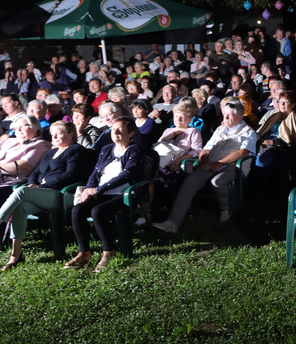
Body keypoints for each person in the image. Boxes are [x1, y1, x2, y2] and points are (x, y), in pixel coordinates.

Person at [153, 98, 259, 232]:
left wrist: (219, 164)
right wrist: (204, 161)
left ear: (239, 116)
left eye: (229, 115)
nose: (225, 117)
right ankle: (173, 222)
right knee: (190, 180)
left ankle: (225, 211)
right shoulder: (221, 129)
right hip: (211, 164)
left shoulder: (248, 132)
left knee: (217, 181)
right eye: (224, 114)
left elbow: (244, 152)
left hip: (233, 167)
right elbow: (206, 149)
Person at [0, 121, 90, 270]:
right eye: (52, 133)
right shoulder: (51, 152)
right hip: (45, 193)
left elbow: (70, 175)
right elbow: (35, 173)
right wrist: (34, 183)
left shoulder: (76, 150)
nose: (54, 136)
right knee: (21, 207)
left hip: (64, 194)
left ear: (71, 134)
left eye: (59, 133)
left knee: (21, 191)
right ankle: (16, 255)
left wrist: (43, 185)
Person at [65, 117, 145, 272]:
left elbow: (127, 175)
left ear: (131, 133)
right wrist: (89, 190)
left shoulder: (135, 150)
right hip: (102, 192)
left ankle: (109, 251)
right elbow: (95, 173)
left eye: (120, 130)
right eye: (113, 129)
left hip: (125, 194)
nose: (115, 132)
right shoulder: (107, 149)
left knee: (98, 211)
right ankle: (84, 252)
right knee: (77, 210)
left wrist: (98, 190)